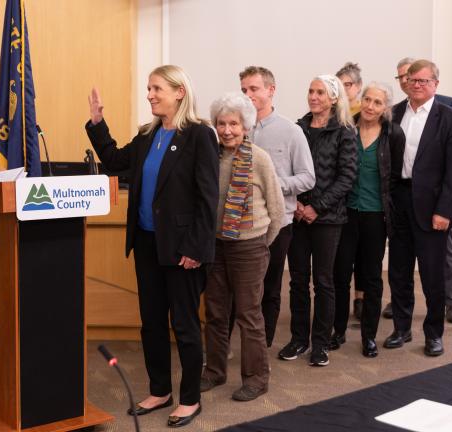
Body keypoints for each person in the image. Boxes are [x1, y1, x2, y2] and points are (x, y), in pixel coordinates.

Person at [85, 65, 218, 427]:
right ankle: (160, 390)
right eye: (148, 88)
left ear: (179, 92)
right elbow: (114, 162)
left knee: (186, 325)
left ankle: (190, 398)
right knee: (152, 323)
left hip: (182, 249)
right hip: (146, 243)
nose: (150, 94)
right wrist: (97, 122)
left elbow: (208, 198)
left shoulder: (200, 135)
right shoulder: (147, 135)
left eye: (156, 88)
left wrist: (197, 247)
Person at [200, 92, 285, 401]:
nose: (227, 130)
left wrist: (260, 243)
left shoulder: (259, 158)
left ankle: (256, 378)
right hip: (216, 246)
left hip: (250, 247)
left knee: (249, 315)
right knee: (216, 312)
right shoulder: (210, 156)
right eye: (221, 124)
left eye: (233, 123)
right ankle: (215, 372)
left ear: (245, 125)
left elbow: (277, 211)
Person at [385, 59, 452, 357]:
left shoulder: (450, 118)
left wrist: (445, 210)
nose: (416, 85)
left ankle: (433, 334)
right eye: (411, 80)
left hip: (432, 207)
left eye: (423, 81)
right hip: (399, 202)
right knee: (399, 271)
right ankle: (401, 329)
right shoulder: (393, 114)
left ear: (435, 84)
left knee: (432, 275)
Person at [278, 75, 357, 367]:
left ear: (334, 98)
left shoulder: (345, 131)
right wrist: (298, 205)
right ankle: (299, 339)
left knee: (324, 281)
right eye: (310, 91)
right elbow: (288, 167)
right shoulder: (298, 128)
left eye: (320, 92)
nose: (313, 96)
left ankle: (320, 344)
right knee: (298, 280)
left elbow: (347, 177)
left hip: (328, 219)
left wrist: (317, 208)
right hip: (296, 216)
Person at [238, 66, 315, 349]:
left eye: (254, 89)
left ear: (271, 90)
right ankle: (244, 340)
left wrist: (270, 183)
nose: (248, 95)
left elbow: (308, 177)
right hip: (239, 222)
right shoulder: (235, 128)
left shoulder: (291, 131)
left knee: (269, 287)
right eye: (244, 90)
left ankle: (263, 344)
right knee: (241, 289)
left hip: (276, 223)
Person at [330, 82, 405, 357]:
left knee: (372, 277)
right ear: (361, 100)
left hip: (376, 215)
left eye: (378, 102)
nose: (371, 106)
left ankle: (369, 336)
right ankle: (337, 331)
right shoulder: (345, 128)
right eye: (368, 100)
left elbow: (394, 178)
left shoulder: (393, 134)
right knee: (340, 274)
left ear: (385, 108)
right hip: (345, 213)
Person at [336, 62, 364, 319]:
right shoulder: (332, 113)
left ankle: (360, 298)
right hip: (338, 194)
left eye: (348, 85)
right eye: (340, 84)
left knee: (361, 252)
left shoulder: (366, 112)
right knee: (342, 253)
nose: (344, 90)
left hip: (360, 190)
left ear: (358, 86)